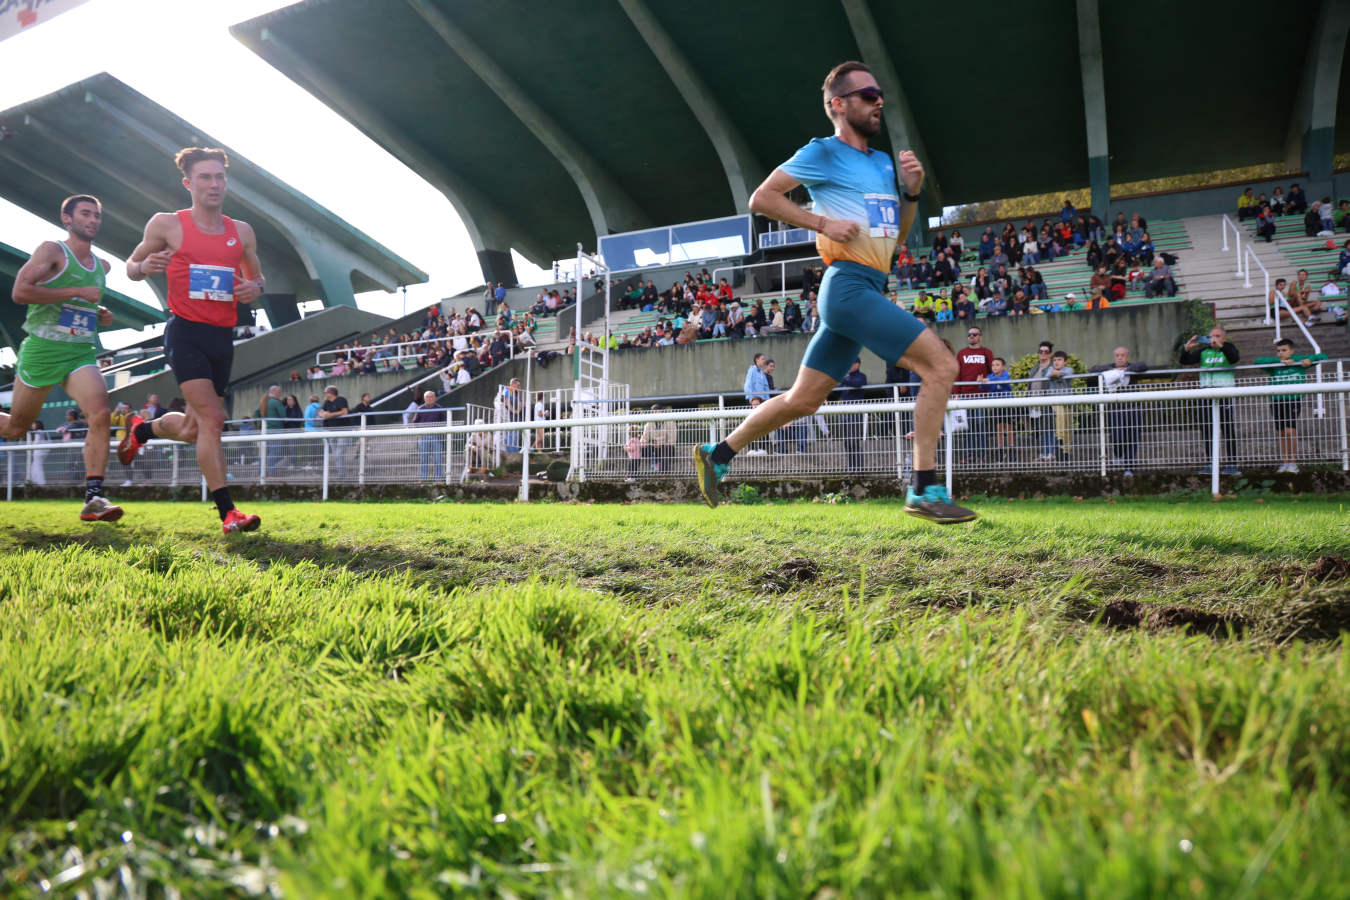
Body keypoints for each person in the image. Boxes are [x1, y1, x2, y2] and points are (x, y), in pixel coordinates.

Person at [694, 64, 971, 520]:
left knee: (803, 400)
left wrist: (914, 195)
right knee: (941, 364)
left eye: (880, 93)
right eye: (868, 94)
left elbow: (897, 239)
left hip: (869, 286)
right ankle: (924, 488)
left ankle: (718, 454)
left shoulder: (883, 163)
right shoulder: (822, 152)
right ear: (838, 105)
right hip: (846, 286)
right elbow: (762, 199)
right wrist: (823, 223)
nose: (879, 100)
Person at [118, 147, 265, 533]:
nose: (215, 184)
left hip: (222, 336)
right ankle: (228, 513)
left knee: (192, 429)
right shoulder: (167, 225)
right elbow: (131, 265)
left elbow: (257, 278)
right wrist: (143, 267)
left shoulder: (242, 231)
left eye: (220, 177)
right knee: (214, 419)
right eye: (206, 177)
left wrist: (253, 288)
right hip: (184, 332)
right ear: (188, 183)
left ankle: (142, 430)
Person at [0, 194, 123, 522]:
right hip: (43, 349)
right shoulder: (52, 251)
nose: (93, 220)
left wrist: (98, 312)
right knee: (15, 427)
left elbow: (77, 306)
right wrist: (76, 292)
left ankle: (94, 498)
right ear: (66, 218)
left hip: (79, 351)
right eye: (85, 214)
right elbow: (20, 292)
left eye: (97, 215)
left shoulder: (102, 266)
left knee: (99, 413)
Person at [1254, 340, 1327, 474]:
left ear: (1292, 351)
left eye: (1284, 350)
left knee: (1290, 431)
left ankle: (1293, 463)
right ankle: (1285, 463)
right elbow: (1257, 361)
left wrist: (1308, 360)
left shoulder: (1298, 361)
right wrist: (1278, 362)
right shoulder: (1275, 364)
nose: (1281, 353)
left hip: (1293, 400)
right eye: (1279, 351)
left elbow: (1323, 357)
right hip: (1277, 401)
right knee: (1282, 432)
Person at [1180, 325, 1240, 475]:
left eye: (1218, 336)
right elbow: (1185, 361)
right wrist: (1187, 348)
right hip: (1206, 394)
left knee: (1227, 428)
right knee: (1207, 429)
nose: (1213, 339)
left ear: (1224, 338)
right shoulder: (1203, 351)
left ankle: (1232, 464)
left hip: (1224, 393)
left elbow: (1234, 359)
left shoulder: (1229, 348)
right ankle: (1212, 463)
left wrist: (1221, 347)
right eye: (1211, 336)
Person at [1089, 347, 1149, 477]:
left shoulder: (1133, 366)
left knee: (1132, 438)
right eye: (1117, 355)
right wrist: (1115, 371)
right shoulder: (1110, 367)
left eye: (1122, 355)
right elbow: (1093, 369)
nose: (1120, 358)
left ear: (1127, 357)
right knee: (1117, 436)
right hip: (1115, 409)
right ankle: (1118, 454)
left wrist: (1126, 371)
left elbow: (1143, 365)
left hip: (1133, 408)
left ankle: (1129, 468)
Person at [955, 326, 993, 464]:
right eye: (969, 334)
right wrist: (956, 393)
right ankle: (969, 455)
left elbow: (992, 372)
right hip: (965, 395)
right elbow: (957, 374)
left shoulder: (986, 352)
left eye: (975, 334)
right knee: (968, 426)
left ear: (980, 337)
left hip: (981, 395)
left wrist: (988, 388)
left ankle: (981, 456)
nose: (971, 336)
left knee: (981, 424)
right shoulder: (961, 353)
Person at [1026, 342, 1058, 461]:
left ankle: (1049, 453)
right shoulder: (1035, 367)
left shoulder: (1052, 368)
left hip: (1048, 402)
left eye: (1046, 352)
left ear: (1050, 354)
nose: (1043, 354)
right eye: (1041, 351)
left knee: (1049, 428)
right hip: (1034, 403)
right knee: (1042, 429)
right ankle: (1045, 453)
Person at [411, 390, 447, 481]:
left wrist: (440, 432)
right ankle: (423, 478)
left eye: (431, 397)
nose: (429, 398)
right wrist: (418, 433)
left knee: (438, 459)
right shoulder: (420, 409)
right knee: (424, 459)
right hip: (423, 437)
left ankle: (438, 479)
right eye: (427, 397)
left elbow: (445, 422)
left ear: (435, 398)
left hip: (436, 436)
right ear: (424, 398)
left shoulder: (440, 408)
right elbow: (414, 422)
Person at [318, 385, 351, 476]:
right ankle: (341, 474)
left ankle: (342, 474)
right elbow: (320, 412)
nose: (324, 394)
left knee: (339, 453)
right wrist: (323, 414)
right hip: (332, 431)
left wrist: (330, 415)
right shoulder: (326, 402)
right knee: (336, 454)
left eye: (325, 392)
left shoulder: (341, 400)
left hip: (343, 431)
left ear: (330, 393)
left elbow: (345, 411)